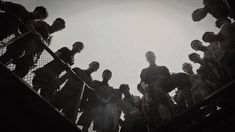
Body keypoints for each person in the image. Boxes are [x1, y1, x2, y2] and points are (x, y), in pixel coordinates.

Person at [0, 18, 66, 78]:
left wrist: (35, 61)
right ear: (54, 22)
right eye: (57, 24)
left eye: (60, 26)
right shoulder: (43, 24)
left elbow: (41, 50)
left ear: (60, 30)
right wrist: (36, 33)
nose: (57, 26)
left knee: (21, 73)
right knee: (6, 59)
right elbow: (30, 24)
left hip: (31, 57)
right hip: (23, 46)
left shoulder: (50, 40)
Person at [139, 51, 173, 128]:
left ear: (155, 56)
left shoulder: (163, 68)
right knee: (158, 91)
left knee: (182, 76)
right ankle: (167, 123)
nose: (150, 57)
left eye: (151, 56)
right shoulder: (145, 71)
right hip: (154, 88)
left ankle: (191, 104)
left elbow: (169, 77)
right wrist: (145, 87)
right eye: (148, 57)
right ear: (146, 59)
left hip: (165, 85)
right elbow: (142, 82)